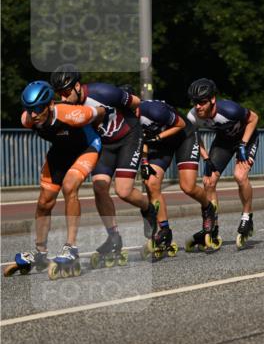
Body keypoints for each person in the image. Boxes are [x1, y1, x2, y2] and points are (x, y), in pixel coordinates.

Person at [50, 64, 157, 256]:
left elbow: (137, 103)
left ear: (77, 85)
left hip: (128, 137)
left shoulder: (104, 92)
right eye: (59, 94)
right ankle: (114, 237)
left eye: (66, 92)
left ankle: (148, 208)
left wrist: (141, 130)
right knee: (99, 187)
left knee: (123, 191)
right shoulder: (68, 107)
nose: (63, 98)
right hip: (105, 144)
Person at [5, 81, 106, 278]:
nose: (33, 114)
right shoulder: (27, 119)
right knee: (44, 202)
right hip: (60, 152)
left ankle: (71, 248)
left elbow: (101, 111)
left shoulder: (72, 114)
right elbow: (33, 119)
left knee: (70, 186)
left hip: (86, 148)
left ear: (50, 105)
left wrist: (102, 125)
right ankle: (40, 253)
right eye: (29, 109)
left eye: (38, 109)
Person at [185, 78, 260, 250]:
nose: (198, 107)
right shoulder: (193, 116)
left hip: (246, 139)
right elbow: (194, 136)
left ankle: (247, 216)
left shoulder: (229, 109)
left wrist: (243, 144)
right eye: (195, 102)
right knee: (208, 181)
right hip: (224, 142)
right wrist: (205, 158)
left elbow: (254, 118)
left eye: (202, 102)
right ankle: (213, 225)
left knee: (240, 176)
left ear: (212, 100)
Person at [138, 98, 209, 255]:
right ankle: (165, 230)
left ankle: (208, 207)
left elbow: (181, 124)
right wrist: (144, 162)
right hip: (162, 144)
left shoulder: (153, 110)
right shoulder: (126, 119)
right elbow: (141, 139)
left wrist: (157, 137)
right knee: (151, 183)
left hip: (184, 137)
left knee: (188, 186)